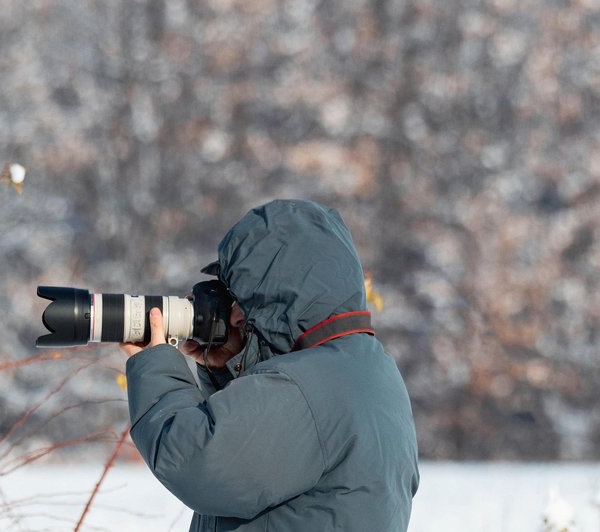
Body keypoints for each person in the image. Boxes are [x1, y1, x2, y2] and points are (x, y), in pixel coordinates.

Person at [120, 199, 419, 531]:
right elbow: (268, 464)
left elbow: (196, 460)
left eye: (243, 300)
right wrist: (227, 367)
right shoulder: (363, 368)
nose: (233, 314)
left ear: (282, 297)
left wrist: (155, 365)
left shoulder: (309, 387)